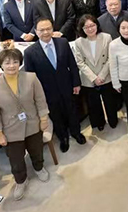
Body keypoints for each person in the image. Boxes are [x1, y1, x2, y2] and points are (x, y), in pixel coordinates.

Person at [0, 49, 50, 200]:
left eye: (15, 62)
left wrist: (44, 119)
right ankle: (21, 181)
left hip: (32, 123)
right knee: (16, 159)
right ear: (1, 65)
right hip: (10, 129)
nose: (12, 65)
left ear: (20, 63)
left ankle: (39, 168)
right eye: (7, 63)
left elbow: (40, 100)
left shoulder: (31, 78)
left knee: (37, 150)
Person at [24, 18, 85, 153]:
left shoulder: (62, 43)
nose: (46, 32)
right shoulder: (29, 52)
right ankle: (63, 138)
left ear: (53, 29)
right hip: (47, 91)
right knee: (56, 115)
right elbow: (30, 78)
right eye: (42, 30)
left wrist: (76, 83)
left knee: (72, 110)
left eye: (48, 29)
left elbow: (72, 64)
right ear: (36, 32)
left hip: (67, 85)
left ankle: (76, 132)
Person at [73, 15, 117, 132]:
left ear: (97, 25)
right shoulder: (79, 42)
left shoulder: (106, 37)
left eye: (92, 25)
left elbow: (110, 58)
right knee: (94, 104)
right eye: (86, 27)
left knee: (109, 101)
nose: (90, 29)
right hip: (89, 79)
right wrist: (94, 78)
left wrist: (101, 76)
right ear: (82, 29)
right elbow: (80, 62)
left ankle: (113, 120)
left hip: (105, 76)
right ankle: (99, 122)